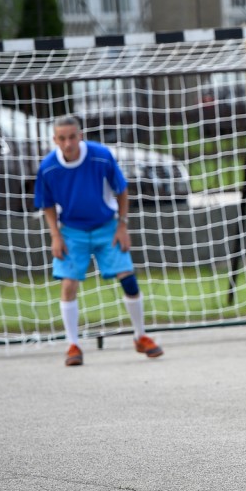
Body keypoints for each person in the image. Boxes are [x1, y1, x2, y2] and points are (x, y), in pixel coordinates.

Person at [34, 115, 163, 366]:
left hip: (107, 226)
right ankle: (73, 345)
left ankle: (141, 336)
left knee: (128, 278)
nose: (68, 143)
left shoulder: (101, 156)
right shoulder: (48, 167)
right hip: (72, 230)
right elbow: (46, 204)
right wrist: (55, 236)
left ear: (80, 136)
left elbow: (121, 190)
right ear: (55, 140)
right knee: (68, 284)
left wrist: (122, 225)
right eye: (62, 138)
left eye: (72, 137)